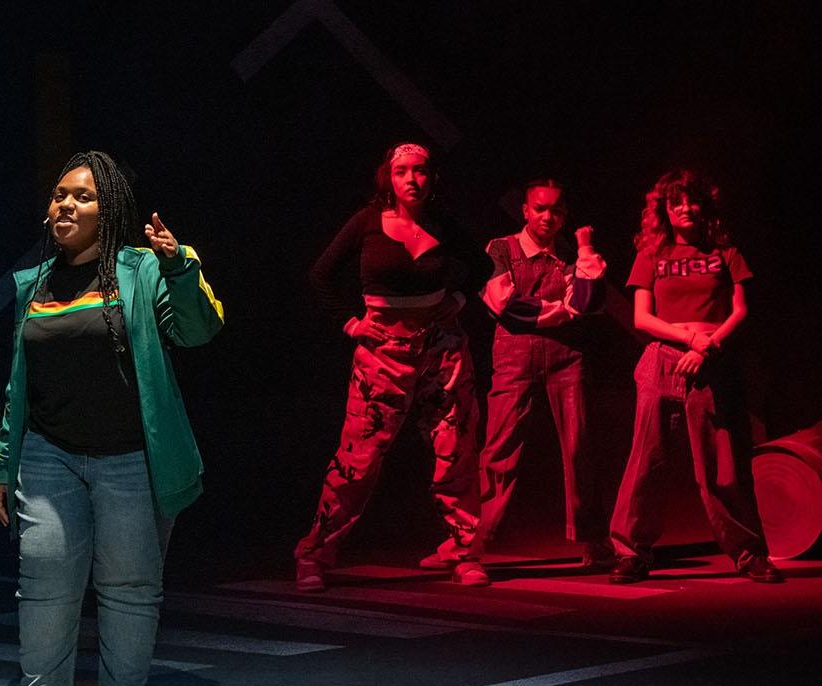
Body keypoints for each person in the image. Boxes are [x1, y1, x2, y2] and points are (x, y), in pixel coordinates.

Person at [0, 151, 224, 686]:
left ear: (108, 208)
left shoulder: (143, 270)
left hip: (129, 459)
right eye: (60, 194)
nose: (66, 204)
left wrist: (178, 266)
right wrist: (3, 461)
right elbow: (19, 383)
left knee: (130, 588)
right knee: (44, 587)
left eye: (82, 197)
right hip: (48, 457)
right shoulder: (32, 283)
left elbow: (198, 330)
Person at [294, 142, 490, 591]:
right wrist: (352, 325)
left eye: (420, 171)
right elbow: (321, 274)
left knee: (455, 447)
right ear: (389, 177)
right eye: (403, 171)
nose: (413, 180)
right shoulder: (367, 222)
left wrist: (456, 301)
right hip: (384, 353)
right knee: (358, 460)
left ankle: (463, 551)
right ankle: (315, 554)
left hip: (442, 350)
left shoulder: (442, 223)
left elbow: (481, 265)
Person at [608, 169, 783, 584]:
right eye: (676, 203)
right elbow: (641, 318)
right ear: (664, 211)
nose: (685, 208)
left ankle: (748, 552)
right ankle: (631, 551)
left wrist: (708, 347)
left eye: (692, 200)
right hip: (663, 360)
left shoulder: (726, 251)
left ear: (704, 206)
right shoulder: (652, 254)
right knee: (646, 462)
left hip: (712, 364)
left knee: (721, 466)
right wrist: (689, 338)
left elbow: (740, 311)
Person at [476, 179, 612, 568]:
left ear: (564, 215)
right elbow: (504, 304)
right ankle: (474, 539)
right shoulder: (500, 248)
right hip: (514, 354)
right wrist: (561, 311)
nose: (547, 217)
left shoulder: (572, 253)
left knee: (579, 445)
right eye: (540, 208)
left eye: (555, 210)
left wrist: (586, 249)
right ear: (525, 210)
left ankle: (593, 540)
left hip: (566, 356)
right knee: (499, 445)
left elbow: (588, 302)